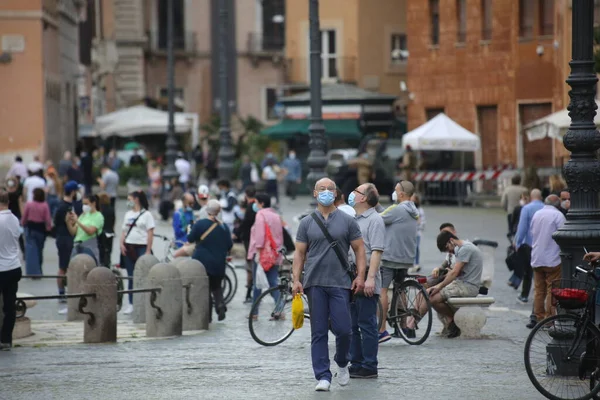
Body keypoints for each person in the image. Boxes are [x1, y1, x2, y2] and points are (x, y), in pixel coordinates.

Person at [292, 177, 367, 392]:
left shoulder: (347, 221)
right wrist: (296, 279)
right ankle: (323, 375)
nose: (325, 192)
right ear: (315, 194)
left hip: (340, 282)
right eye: (321, 189)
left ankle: (342, 362)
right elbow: (299, 254)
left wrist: (360, 276)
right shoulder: (306, 222)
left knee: (344, 330)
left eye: (329, 189)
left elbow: (360, 249)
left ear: (335, 194)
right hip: (314, 282)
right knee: (319, 331)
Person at [347, 183, 385, 379]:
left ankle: (370, 365)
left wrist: (370, 279)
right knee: (352, 324)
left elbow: (377, 250)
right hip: (352, 277)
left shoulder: (375, 220)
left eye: (356, 191)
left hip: (367, 276)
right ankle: (357, 362)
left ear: (363, 198)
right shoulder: (354, 219)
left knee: (366, 323)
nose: (352, 193)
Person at [378, 180, 419, 343]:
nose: (394, 193)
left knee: (382, 290)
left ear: (401, 194)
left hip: (391, 256)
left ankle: (381, 330)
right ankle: (402, 326)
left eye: (396, 190)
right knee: (400, 289)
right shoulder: (413, 210)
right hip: (407, 257)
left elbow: (377, 220)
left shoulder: (397, 209)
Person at [427, 230, 484, 338]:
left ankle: (454, 321)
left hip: (467, 286)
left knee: (432, 298)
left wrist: (438, 286)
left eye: (447, 248)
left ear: (451, 240)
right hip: (462, 284)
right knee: (431, 294)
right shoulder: (460, 248)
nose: (449, 252)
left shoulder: (465, 249)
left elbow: (454, 273)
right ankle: (453, 321)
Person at [187, 199, 233, 321]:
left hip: (202, 262)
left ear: (207, 210)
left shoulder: (199, 224)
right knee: (217, 286)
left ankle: (208, 317)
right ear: (219, 212)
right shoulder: (224, 227)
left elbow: (190, 238)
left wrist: (189, 229)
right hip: (219, 263)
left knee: (205, 288)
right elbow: (229, 245)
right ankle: (220, 304)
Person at [528, 195, 565, 328]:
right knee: (552, 289)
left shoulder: (537, 214)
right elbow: (564, 235)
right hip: (552, 258)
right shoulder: (558, 215)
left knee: (539, 289)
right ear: (557, 203)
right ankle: (549, 318)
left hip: (537, 257)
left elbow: (532, 232)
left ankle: (538, 316)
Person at [247, 193, 284, 318]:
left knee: (258, 283)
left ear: (261, 203)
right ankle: (278, 309)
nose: (255, 206)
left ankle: (256, 312)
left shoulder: (260, 215)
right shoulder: (276, 216)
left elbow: (260, 237)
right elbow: (280, 235)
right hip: (275, 253)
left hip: (262, 254)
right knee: (272, 282)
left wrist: (257, 252)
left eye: (256, 203)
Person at [120, 191, 155, 314]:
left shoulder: (147, 215)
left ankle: (144, 301)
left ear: (136, 199)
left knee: (143, 274)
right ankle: (131, 303)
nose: (128, 201)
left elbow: (150, 233)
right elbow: (124, 230)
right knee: (130, 276)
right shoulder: (127, 214)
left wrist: (148, 250)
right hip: (129, 246)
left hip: (142, 246)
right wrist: (121, 244)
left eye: (130, 199)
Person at [514, 189, 544, 313]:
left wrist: (518, 242)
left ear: (531, 197)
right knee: (540, 271)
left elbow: (522, 227)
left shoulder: (526, 209)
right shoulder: (545, 208)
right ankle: (539, 295)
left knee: (528, 271)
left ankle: (525, 295)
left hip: (529, 244)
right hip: (542, 244)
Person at [0, 190, 22, 351]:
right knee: (10, 305)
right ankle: (6, 339)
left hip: (0, 268)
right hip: (14, 266)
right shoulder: (15, 219)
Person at [53, 181, 82, 301]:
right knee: (63, 266)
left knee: (66, 266)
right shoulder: (64, 207)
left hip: (65, 238)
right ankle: (61, 293)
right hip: (65, 239)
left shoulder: (67, 204)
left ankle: (64, 291)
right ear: (73, 192)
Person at [21, 188, 52, 276]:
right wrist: (48, 228)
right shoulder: (45, 205)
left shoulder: (29, 205)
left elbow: (24, 217)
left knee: (31, 251)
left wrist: (22, 223)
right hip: (41, 230)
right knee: (39, 250)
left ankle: (32, 271)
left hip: (31, 229)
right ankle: (39, 269)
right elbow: (48, 219)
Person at [67, 194, 104, 264]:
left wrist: (77, 221)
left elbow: (90, 232)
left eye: (86, 204)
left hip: (89, 246)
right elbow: (73, 232)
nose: (84, 206)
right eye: (83, 204)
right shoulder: (83, 215)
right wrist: (68, 221)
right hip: (77, 245)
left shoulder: (98, 216)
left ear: (93, 203)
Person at [237, 186, 257, 303]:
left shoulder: (250, 208)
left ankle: (249, 293)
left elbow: (245, 224)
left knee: (250, 266)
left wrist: (237, 233)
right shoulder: (258, 206)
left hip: (249, 240)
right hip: (256, 239)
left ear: (246, 195)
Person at [6, 177, 25, 258]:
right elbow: (21, 206)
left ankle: (7, 252)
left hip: (7, 215)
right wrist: (23, 217)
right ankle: (24, 252)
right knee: (19, 236)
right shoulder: (18, 195)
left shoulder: (5, 194)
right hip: (16, 215)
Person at [97, 193, 116, 267]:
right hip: (110, 232)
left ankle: (102, 264)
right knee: (108, 251)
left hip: (102, 233)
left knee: (101, 250)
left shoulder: (99, 210)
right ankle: (107, 264)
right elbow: (113, 220)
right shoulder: (111, 209)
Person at [412, 193, 426, 272]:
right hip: (409, 232)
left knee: (416, 247)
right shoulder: (409, 208)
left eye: (415, 199)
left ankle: (416, 263)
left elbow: (422, 221)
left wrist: (419, 226)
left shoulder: (420, 210)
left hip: (417, 232)